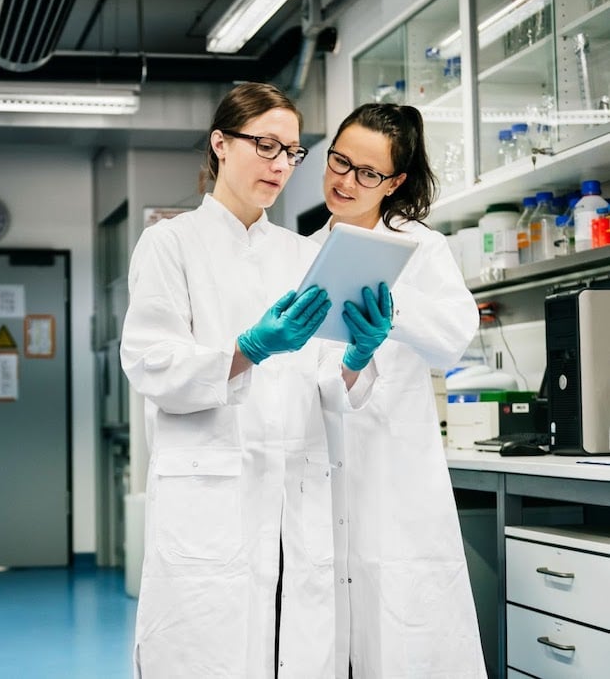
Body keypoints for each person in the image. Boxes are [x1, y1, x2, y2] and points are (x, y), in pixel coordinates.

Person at [120, 82, 394, 678]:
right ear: (221, 143)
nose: (281, 165)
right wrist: (247, 350)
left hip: (296, 499)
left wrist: (357, 356)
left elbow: (328, 384)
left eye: (293, 152)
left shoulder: (303, 256)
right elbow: (151, 364)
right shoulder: (170, 245)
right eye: (266, 145)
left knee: (297, 652)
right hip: (213, 492)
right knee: (206, 653)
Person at [311, 102, 486, 677]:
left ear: (396, 182)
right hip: (317, 467)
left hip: (394, 471)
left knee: (404, 634)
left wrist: (391, 302)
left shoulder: (420, 248)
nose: (346, 181)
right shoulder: (302, 251)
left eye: (368, 173)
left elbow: (454, 337)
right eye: (340, 161)